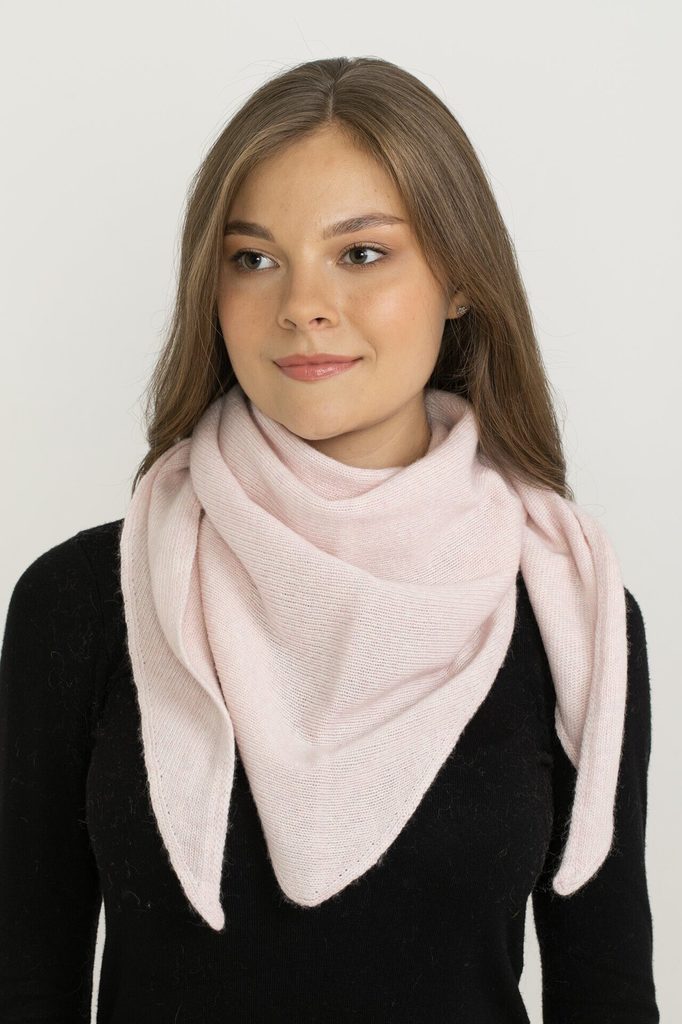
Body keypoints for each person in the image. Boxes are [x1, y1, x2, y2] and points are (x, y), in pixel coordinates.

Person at [0, 56, 659, 1023]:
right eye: (254, 259)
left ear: (460, 279)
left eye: (360, 253)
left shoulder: (569, 610)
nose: (302, 305)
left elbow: (607, 993)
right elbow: (26, 981)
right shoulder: (84, 600)